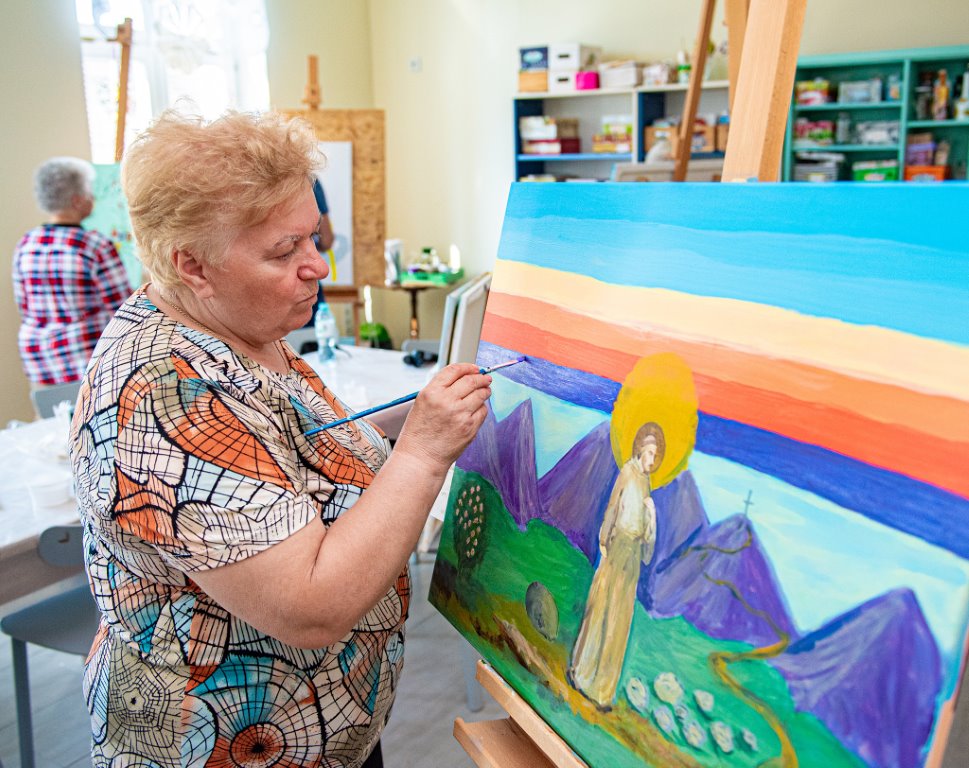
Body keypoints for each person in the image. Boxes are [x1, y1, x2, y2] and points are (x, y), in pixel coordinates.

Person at [69, 110, 492, 768]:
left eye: (313, 237)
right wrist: (423, 452)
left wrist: (405, 423)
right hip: (226, 744)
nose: (317, 265)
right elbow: (309, 605)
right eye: (283, 251)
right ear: (193, 265)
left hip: (324, 729)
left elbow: (295, 444)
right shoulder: (164, 393)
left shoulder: (237, 324)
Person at [568, 422, 665, 709]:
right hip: (617, 547)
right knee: (601, 609)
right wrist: (604, 537)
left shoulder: (646, 482)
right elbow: (613, 506)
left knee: (619, 619)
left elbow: (647, 539)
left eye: (655, 455)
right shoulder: (628, 473)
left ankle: (602, 691)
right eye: (649, 453)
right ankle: (582, 674)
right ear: (640, 449)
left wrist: (651, 518)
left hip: (632, 557)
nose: (652, 460)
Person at [12, 156, 130, 388]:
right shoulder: (94, 246)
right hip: (86, 358)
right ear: (77, 200)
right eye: (89, 192)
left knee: (52, 410)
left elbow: (24, 305)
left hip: (40, 361)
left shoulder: (26, 244)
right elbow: (123, 308)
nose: (93, 198)